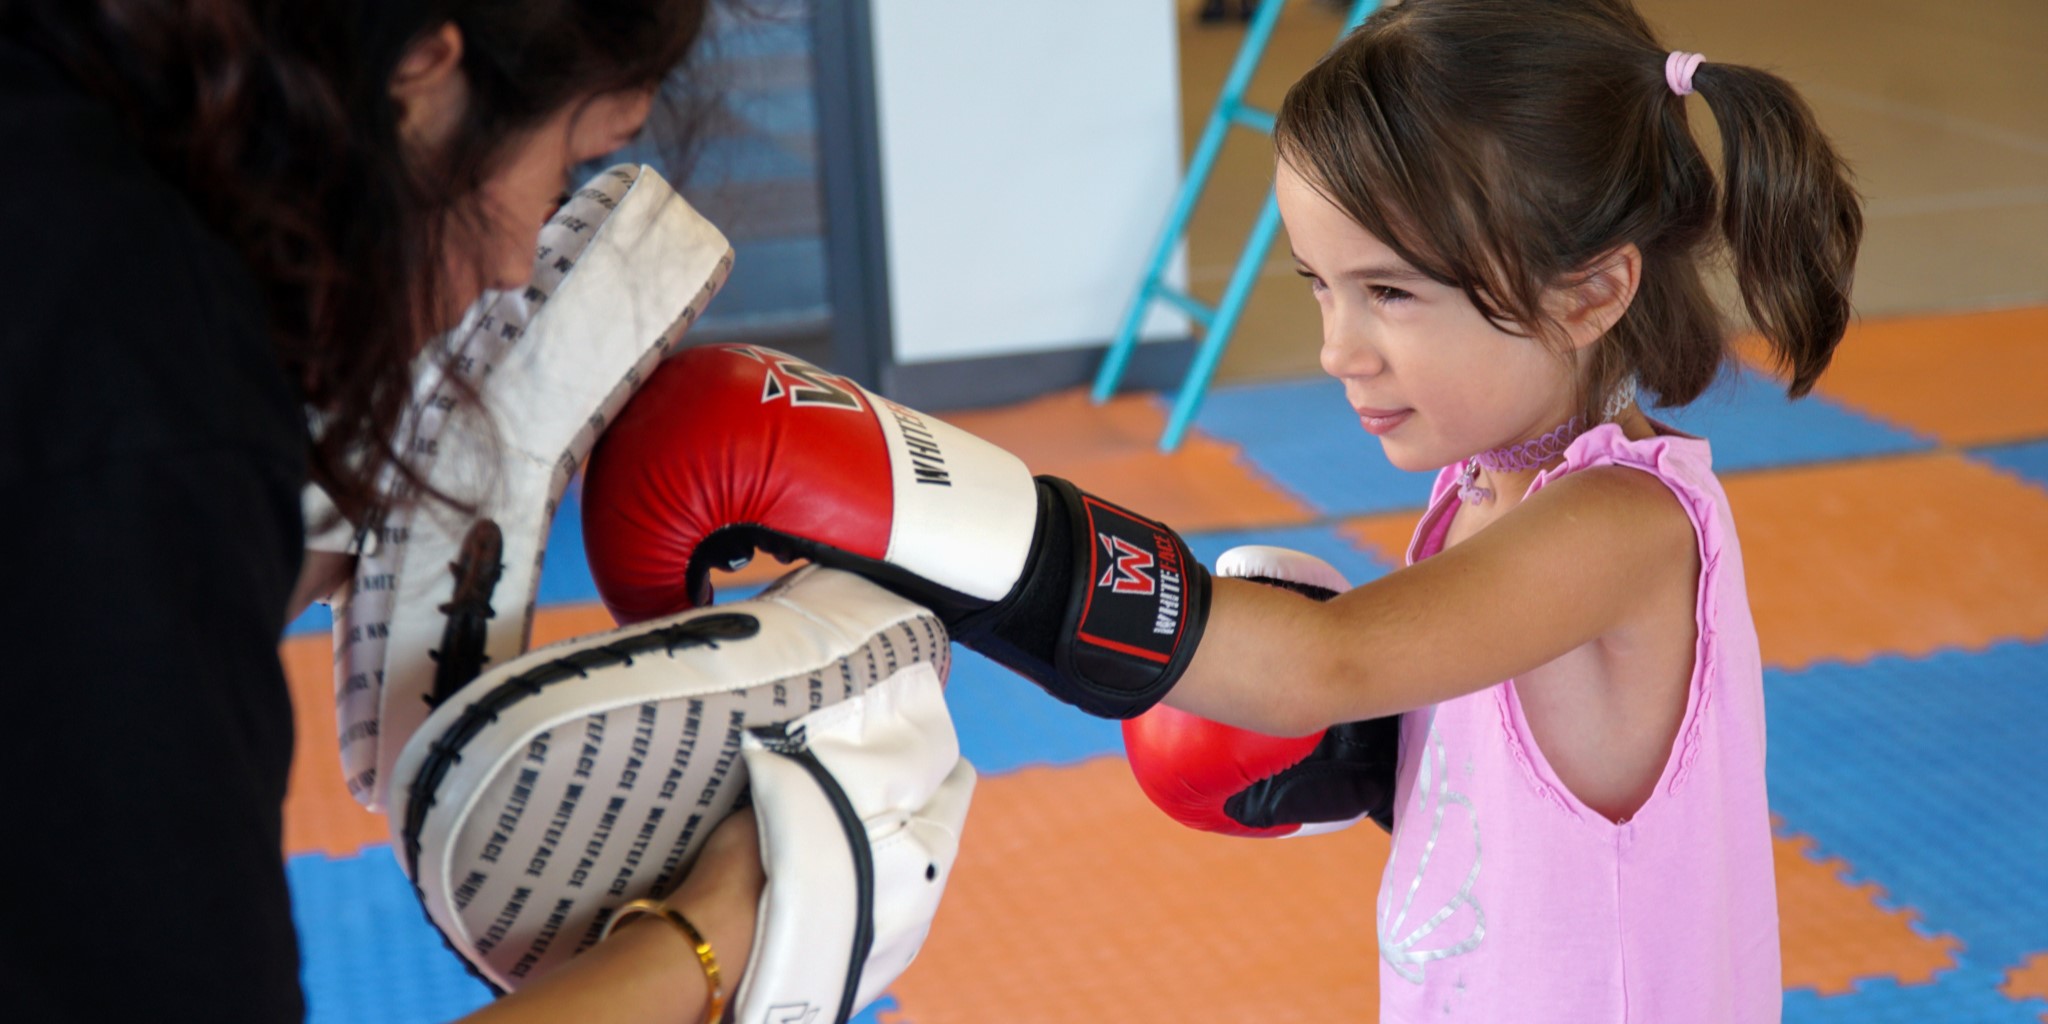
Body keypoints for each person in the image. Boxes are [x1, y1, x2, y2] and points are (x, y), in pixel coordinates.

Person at [574, 0, 1861, 1020]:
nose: (1336, 350)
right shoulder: (1485, 491)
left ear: (1591, 292)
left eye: (1391, 295)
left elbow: (1322, 661)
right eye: (1318, 285)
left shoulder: (1617, 531)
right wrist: (1380, 772)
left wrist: (905, 508)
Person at [0, 2, 763, 1021]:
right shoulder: (136, 401)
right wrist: (704, 941)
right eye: (565, 171)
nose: (511, 270)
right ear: (420, 75)